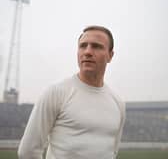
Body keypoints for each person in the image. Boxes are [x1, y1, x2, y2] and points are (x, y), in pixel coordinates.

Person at [18, 25, 125, 159]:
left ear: (110, 55)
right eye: (83, 46)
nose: (87, 51)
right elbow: (28, 151)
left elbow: (113, 152)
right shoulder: (56, 92)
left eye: (96, 46)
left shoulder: (118, 103)